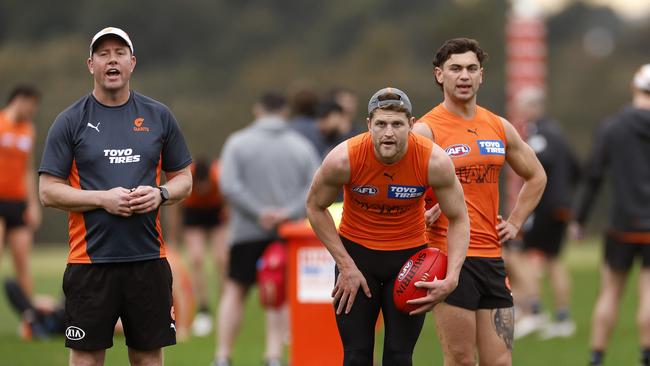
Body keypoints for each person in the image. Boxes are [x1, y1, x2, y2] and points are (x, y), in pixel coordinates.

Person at [38, 27, 193, 366]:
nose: (112, 60)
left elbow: (184, 179)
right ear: (90, 64)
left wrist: (161, 194)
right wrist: (103, 199)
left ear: (132, 63)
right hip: (90, 264)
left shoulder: (159, 116)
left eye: (120, 53)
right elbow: (48, 191)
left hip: (148, 261)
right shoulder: (70, 121)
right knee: (87, 360)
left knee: (148, 359)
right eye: (104, 54)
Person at [306, 87, 470, 366]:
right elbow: (314, 207)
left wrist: (452, 276)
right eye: (381, 124)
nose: (388, 133)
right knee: (356, 356)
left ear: (412, 125)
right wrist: (345, 265)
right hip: (356, 259)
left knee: (399, 356)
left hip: (409, 260)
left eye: (397, 124)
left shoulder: (435, 161)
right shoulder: (343, 159)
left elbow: (459, 217)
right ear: (369, 124)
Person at [413, 38, 546, 365]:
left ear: (482, 76)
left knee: (500, 361)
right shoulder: (426, 130)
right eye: (455, 68)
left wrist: (514, 222)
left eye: (472, 68)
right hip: (449, 260)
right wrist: (422, 212)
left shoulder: (498, 126)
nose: (464, 75)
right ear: (439, 75)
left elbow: (536, 176)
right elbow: (402, 190)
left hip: (491, 258)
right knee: (461, 360)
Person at [213, 92, 320, 366]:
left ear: (257, 110)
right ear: (285, 112)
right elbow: (315, 186)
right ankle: (273, 356)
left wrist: (259, 212)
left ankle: (223, 356)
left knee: (235, 290)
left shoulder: (237, 143)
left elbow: (229, 185)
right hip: (289, 233)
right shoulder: (301, 146)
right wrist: (286, 213)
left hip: (246, 230)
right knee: (280, 295)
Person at [571, 64, 650, 366]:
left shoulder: (612, 127)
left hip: (621, 224)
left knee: (610, 293)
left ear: (634, 88)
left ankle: (596, 357)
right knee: (648, 294)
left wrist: (579, 219)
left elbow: (594, 176)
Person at [508, 87, 580, 340]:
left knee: (518, 253)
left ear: (531, 108)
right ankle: (563, 318)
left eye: (520, 106)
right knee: (553, 259)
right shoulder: (558, 132)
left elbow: (538, 164)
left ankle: (533, 311)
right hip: (561, 205)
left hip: (542, 205)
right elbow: (575, 167)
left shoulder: (536, 132)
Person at [166, 157, 228, 337]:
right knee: (196, 258)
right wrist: (172, 238)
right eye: (199, 186)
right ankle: (203, 310)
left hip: (216, 214)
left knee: (222, 259)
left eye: (205, 186)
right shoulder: (187, 180)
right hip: (193, 215)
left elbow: (229, 205)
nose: (202, 190)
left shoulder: (220, 177)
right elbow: (174, 209)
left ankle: (225, 306)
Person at [0, 85, 41, 300]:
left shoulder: (29, 130)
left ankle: (30, 318)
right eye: (31, 105)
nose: (32, 111)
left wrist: (33, 204)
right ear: (19, 100)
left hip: (18, 203)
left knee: (22, 261)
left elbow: (28, 169)